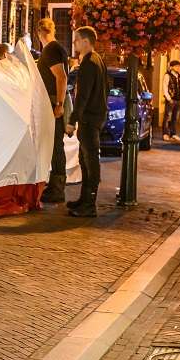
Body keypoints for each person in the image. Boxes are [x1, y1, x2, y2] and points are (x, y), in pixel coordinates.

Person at [65, 26, 109, 218]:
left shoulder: (89, 63)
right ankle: (84, 199)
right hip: (96, 116)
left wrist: (72, 120)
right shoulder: (98, 60)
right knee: (85, 159)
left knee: (90, 160)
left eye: (76, 40)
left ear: (85, 41)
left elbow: (82, 96)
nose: (74, 43)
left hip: (90, 118)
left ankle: (89, 205)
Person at [36, 18, 69, 203]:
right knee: (55, 145)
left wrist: (59, 105)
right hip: (53, 101)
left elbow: (61, 77)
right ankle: (55, 186)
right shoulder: (59, 48)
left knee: (56, 145)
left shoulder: (51, 49)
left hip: (53, 102)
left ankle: (57, 189)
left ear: (40, 32)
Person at [161, 59, 180, 142]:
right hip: (171, 99)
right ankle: (165, 134)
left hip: (177, 99)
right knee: (168, 117)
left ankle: (173, 133)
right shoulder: (167, 75)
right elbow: (165, 87)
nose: (178, 68)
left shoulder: (179, 76)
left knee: (175, 118)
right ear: (171, 67)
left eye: (178, 66)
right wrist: (168, 98)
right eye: (176, 66)